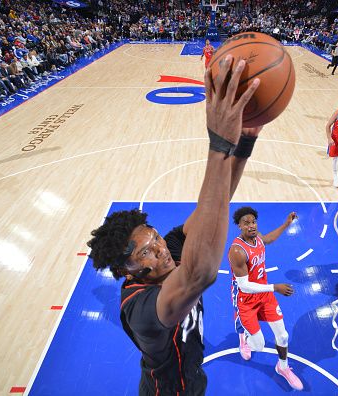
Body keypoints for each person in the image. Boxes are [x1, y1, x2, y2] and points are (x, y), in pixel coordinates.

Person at [87, 55, 260, 396]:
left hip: (193, 376)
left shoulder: (169, 249)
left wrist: (243, 143)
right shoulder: (140, 308)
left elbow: (215, 206)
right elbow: (199, 273)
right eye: (146, 252)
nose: (161, 250)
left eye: (154, 239)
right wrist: (219, 144)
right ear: (127, 270)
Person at [228, 207, 303, 391]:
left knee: (283, 335)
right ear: (239, 226)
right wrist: (274, 287)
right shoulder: (237, 251)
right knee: (259, 346)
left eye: (253, 222)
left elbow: (267, 239)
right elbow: (244, 286)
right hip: (246, 299)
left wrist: (286, 224)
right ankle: (243, 335)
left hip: (265, 296)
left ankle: (282, 367)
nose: (251, 226)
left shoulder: (256, 237)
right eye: (246, 223)